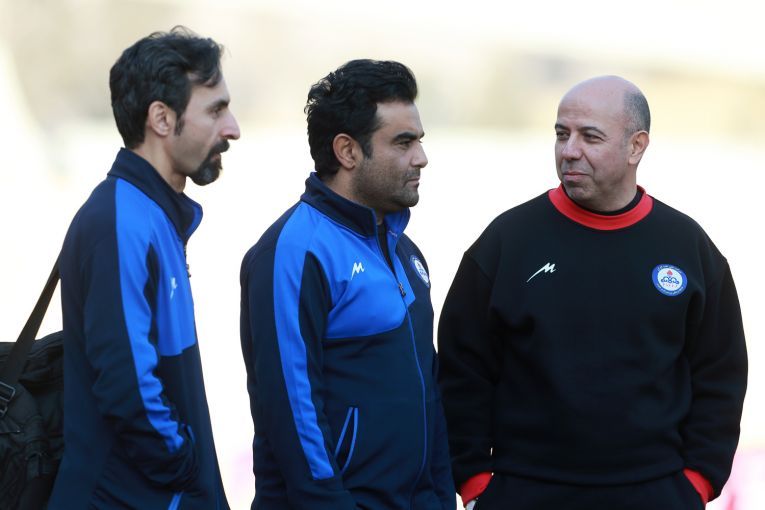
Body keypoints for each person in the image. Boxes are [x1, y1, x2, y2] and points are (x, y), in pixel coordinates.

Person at [438, 76, 747, 510]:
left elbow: (721, 373)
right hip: (526, 491)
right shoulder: (508, 241)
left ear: (636, 146)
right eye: (561, 134)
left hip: (655, 493)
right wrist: (474, 483)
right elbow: (461, 370)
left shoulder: (687, 247)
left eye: (590, 136)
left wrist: (697, 481)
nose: (569, 150)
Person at [239, 59, 455, 509]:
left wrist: (439, 495)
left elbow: (429, 397)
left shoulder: (406, 251)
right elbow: (293, 409)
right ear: (348, 151)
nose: (421, 157)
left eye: (420, 140)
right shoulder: (296, 252)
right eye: (403, 142)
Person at [50, 27, 240, 509]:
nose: (232, 128)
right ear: (161, 118)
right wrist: (186, 472)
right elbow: (127, 387)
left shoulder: (151, 214)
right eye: (215, 110)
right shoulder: (120, 221)